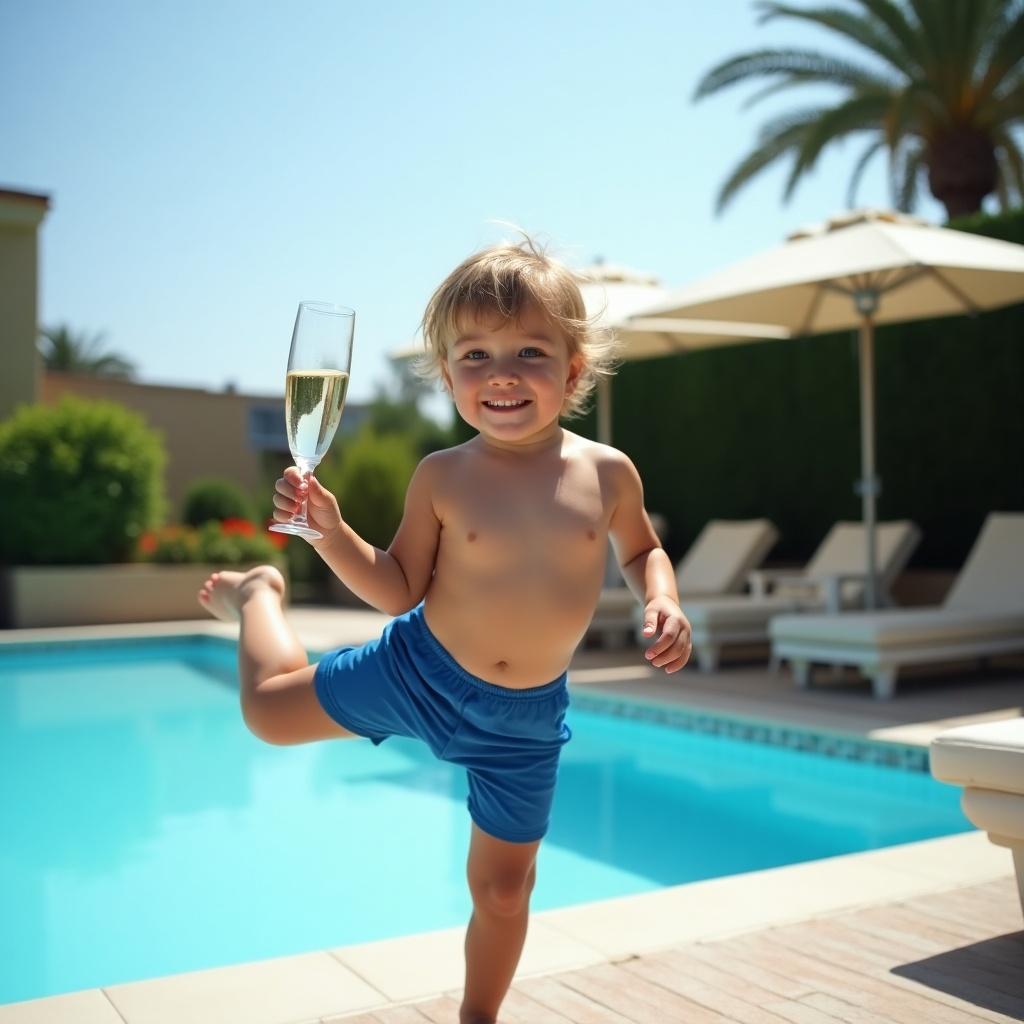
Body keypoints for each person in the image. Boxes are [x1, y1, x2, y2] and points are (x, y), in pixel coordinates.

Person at [198, 235, 691, 1024]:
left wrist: (660, 597)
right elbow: (396, 589)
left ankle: (476, 1018)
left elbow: (642, 549)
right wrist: (329, 533)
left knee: (502, 888)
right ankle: (262, 595)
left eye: (529, 351)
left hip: (523, 719)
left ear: (571, 369)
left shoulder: (607, 473)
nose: (501, 373)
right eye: (475, 355)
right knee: (266, 715)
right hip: (418, 671)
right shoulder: (443, 475)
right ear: (448, 373)